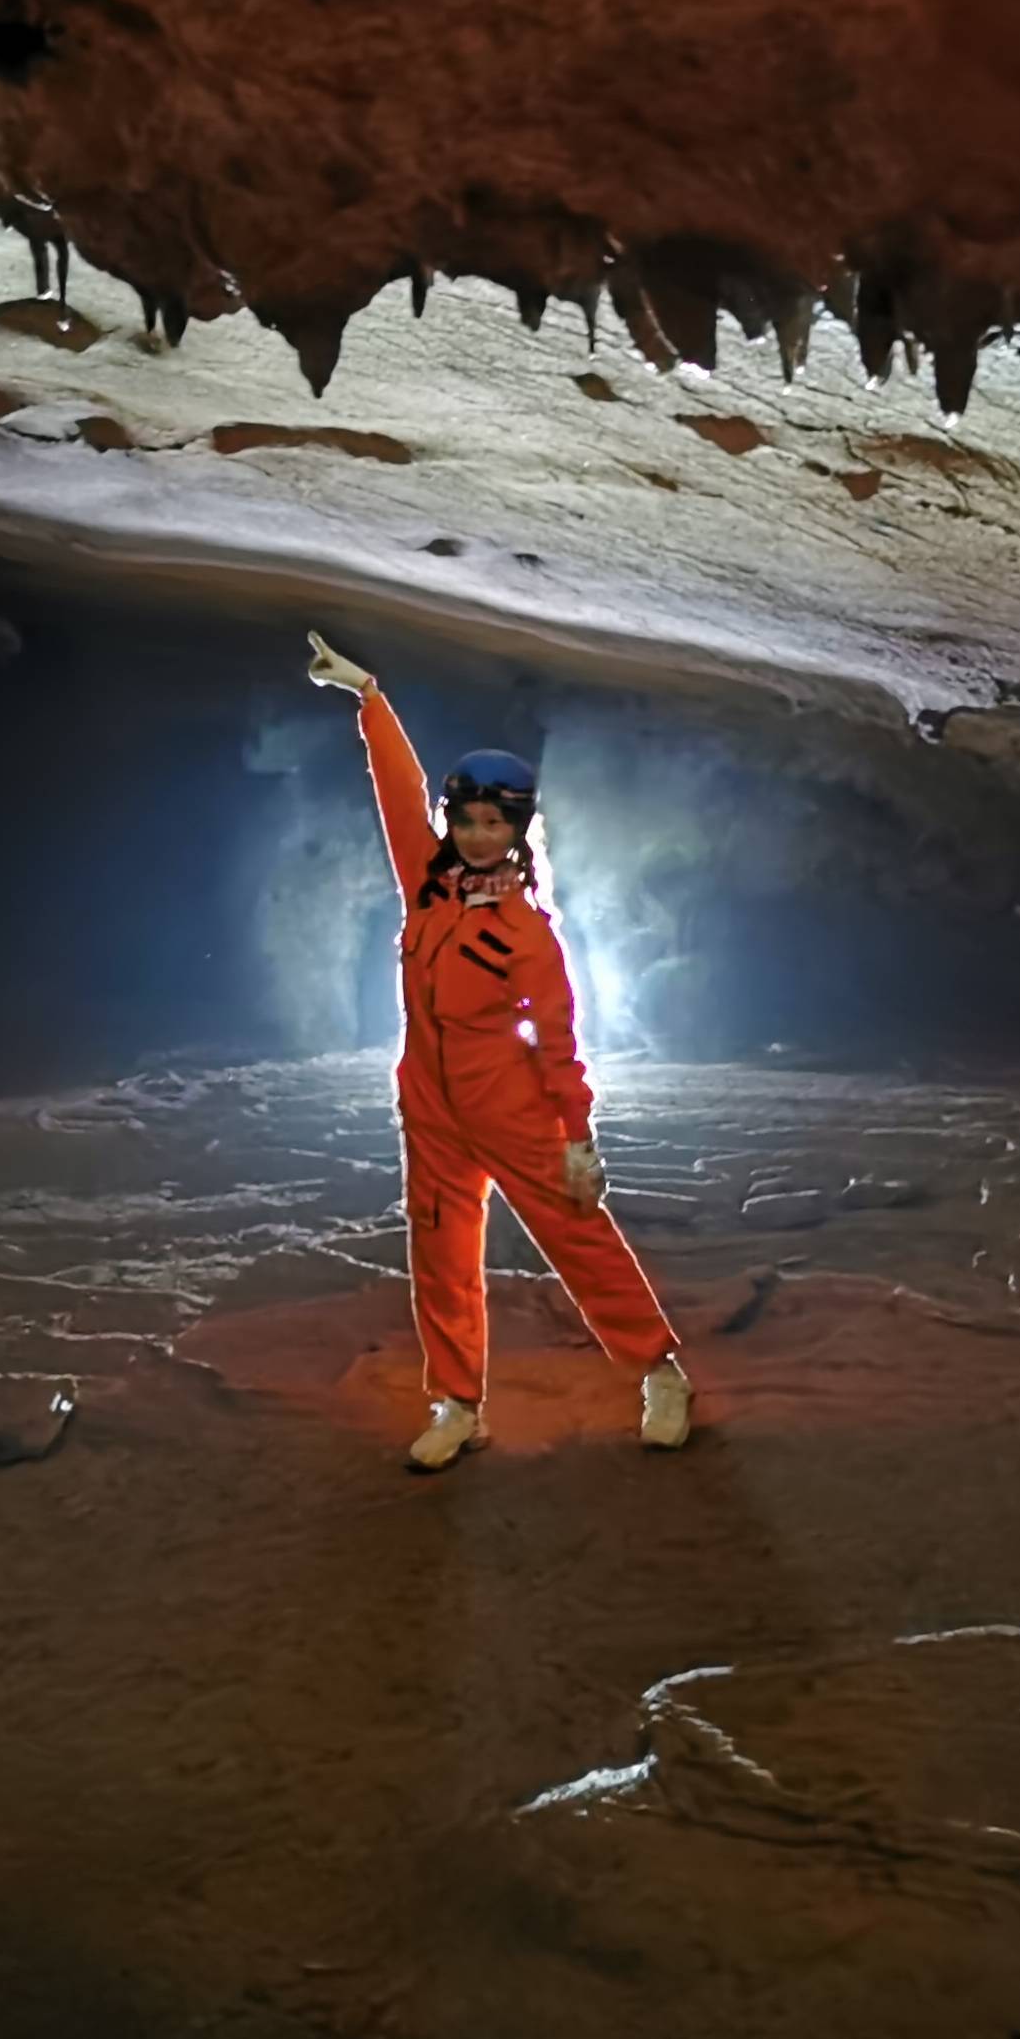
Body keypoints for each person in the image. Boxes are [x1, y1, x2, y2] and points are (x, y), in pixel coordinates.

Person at [304, 630, 692, 1470]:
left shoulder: (529, 934)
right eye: (466, 820)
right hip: (432, 1108)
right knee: (440, 1256)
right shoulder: (426, 881)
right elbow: (395, 794)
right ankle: (456, 1405)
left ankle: (660, 1372)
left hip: (509, 1104)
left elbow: (558, 1042)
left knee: (578, 1238)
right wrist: (369, 697)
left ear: (517, 829)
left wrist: (577, 1139)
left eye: (493, 823)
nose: (476, 836)